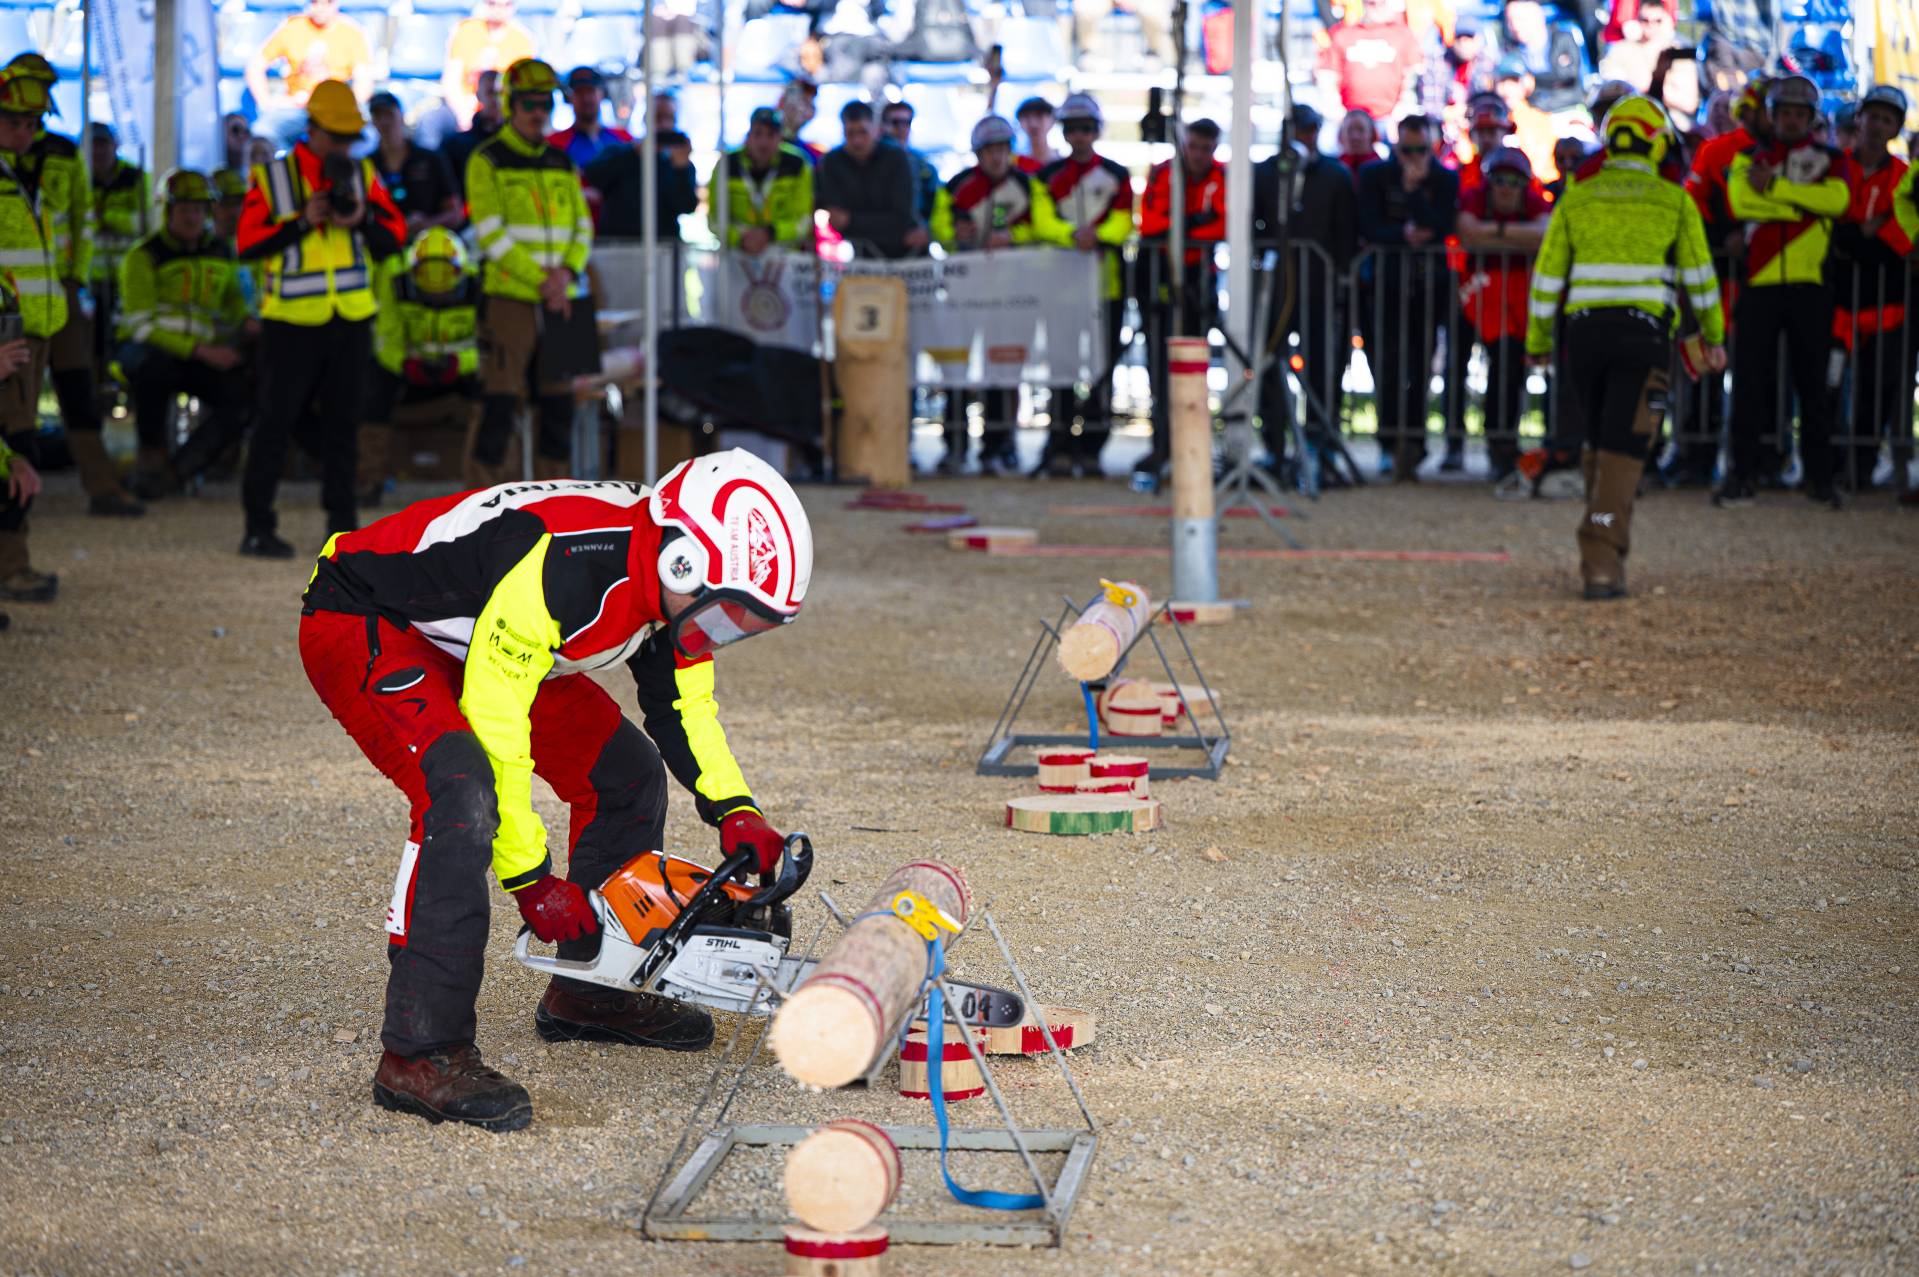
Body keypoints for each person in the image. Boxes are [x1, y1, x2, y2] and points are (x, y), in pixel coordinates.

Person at [298, 451, 814, 1132]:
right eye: (727, 617)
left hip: (475, 637)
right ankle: (420, 1050)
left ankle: (591, 989)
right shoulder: (562, 567)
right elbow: (497, 722)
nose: (720, 633)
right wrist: (531, 876)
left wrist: (734, 807)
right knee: (459, 793)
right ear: (681, 562)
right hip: (369, 618)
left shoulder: (665, 566)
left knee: (625, 773)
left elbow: (685, 702)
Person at [1526, 94, 1723, 598]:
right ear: (1657, 145)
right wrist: (1714, 337)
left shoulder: (1578, 196)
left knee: (1598, 442)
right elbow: (1701, 279)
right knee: (1625, 449)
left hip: (1585, 336)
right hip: (1644, 338)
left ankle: (1605, 548)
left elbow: (1547, 278)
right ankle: (1600, 559)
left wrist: (1539, 341)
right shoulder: (1673, 199)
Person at [236, 80, 406, 557]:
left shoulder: (361, 173)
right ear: (311, 130)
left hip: (350, 319)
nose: (344, 146)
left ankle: (343, 528)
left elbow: (394, 237)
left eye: (350, 137)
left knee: (344, 424)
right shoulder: (274, 178)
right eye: (337, 136)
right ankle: (258, 526)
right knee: (274, 423)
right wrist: (301, 222)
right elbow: (246, 245)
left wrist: (363, 221)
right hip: (290, 322)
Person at [4, 55, 144, 517]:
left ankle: (101, 486)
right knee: (16, 410)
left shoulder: (64, 154)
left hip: (58, 293)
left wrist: (75, 280)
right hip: (11, 306)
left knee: (79, 390)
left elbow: (82, 222)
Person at [1718, 75, 1852, 508]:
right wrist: (1802, 204)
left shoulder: (1832, 158)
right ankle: (1742, 475)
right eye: (1785, 112)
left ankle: (1820, 479)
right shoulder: (1747, 155)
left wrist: (1774, 190)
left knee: (1814, 388)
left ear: (1812, 119)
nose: (1792, 120)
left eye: (1800, 113)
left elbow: (1838, 202)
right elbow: (1740, 202)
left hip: (1810, 286)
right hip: (1759, 284)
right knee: (1749, 386)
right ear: (1772, 115)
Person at [467, 59, 594, 485]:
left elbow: (583, 227)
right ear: (509, 105)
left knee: (560, 409)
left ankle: (557, 502)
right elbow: (490, 234)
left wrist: (566, 276)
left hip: (564, 299)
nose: (538, 112)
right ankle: (482, 507)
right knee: (499, 404)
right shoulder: (486, 160)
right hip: (509, 299)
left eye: (545, 103)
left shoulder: (562, 161)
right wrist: (543, 281)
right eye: (528, 104)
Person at [931, 115, 1065, 475]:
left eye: (1002, 150)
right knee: (956, 371)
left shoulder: (1027, 184)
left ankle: (1000, 445)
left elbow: (1044, 226)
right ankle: (955, 445)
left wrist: (1013, 240)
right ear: (979, 154)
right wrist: (958, 235)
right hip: (965, 294)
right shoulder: (957, 186)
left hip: (1011, 296)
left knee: (1005, 371)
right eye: (990, 151)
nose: (996, 158)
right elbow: (939, 227)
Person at [115, 171, 251, 500]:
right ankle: (151, 461)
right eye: (185, 209)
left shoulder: (222, 252)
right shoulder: (144, 255)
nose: (192, 217)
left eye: (199, 209)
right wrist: (202, 351)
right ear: (168, 211)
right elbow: (141, 326)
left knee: (245, 395)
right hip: (149, 349)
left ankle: (181, 470)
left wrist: (249, 325)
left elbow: (235, 307)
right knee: (154, 371)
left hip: (200, 354)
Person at [1254, 101, 1359, 476]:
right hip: (1275, 292)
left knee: (1323, 368)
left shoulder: (1335, 175)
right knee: (1270, 366)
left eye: (1309, 129)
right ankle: (1274, 446)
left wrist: (1338, 274)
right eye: (1297, 130)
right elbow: (1254, 225)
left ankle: (1321, 444)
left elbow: (1347, 234)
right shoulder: (1265, 173)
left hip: (1321, 289)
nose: (1303, 137)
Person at [1035, 92, 1134, 478]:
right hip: (1060, 286)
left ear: (1096, 132)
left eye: (1086, 129)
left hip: (1105, 286)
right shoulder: (1047, 177)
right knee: (1061, 369)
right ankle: (1058, 443)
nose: (1080, 136)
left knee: (1101, 370)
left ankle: (1093, 445)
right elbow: (1042, 220)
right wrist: (1072, 235)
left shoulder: (1115, 174)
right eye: (1073, 129)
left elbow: (1125, 219)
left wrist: (1099, 236)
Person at [1355, 113, 1457, 478]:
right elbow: (1368, 225)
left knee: (1421, 366)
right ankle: (1388, 441)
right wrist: (1403, 235)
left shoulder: (1445, 178)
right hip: (1385, 285)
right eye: (1405, 149)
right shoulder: (1373, 175)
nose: (1412, 156)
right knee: (1385, 364)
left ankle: (1413, 442)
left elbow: (1442, 225)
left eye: (1419, 149)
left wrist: (1414, 192)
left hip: (1429, 288)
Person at [1828, 85, 1916, 493]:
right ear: (1857, 119)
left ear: (1896, 128)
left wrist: (1857, 238)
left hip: (1885, 306)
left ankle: (1862, 467)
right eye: (1872, 116)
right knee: (1827, 383)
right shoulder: (1833, 166)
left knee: (1876, 387)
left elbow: (1897, 240)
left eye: (1887, 119)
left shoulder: (1902, 176)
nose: (1878, 125)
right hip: (1835, 305)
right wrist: (1859, 233)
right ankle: (1825, 464)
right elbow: (1828, 227)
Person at [1135, 117, 1227, 486]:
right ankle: (1162, 444)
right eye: (1194, 146)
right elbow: (1151, 223)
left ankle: (1192, 444)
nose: (1199, 155)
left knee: (1194, 363)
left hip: (1196, 279)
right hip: (1157, 272)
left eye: (1206, 148)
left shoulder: (1222, 176)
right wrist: (1192, 222)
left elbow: (1223, 223)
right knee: (1159, 364)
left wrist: (1181, 227)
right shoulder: (1162, 173)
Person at [0, 68, 61, 604]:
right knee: (16, 451)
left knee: (20, 448)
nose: (27, 132)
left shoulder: (20, 175)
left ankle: (14, 563)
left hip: (29, 333)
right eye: (16, 122)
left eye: (32, 123)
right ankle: (11, 567)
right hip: (8, 340)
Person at [1452, 146, 1550, 481]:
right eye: (1499, 180)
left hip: (1521, 291)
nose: (1506, 188)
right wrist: (1514, 239)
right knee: (1492, 363)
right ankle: (1488, 444)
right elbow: (1467, 233)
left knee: (1512, 368)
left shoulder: (1534, 201)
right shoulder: (1473, 196)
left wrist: (1494, 234)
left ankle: (1505, 444)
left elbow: (1544, 234)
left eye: (1514, 181)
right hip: (1482, 289)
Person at [361, 228, 481, 502]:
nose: (437, 298)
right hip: (406, 370)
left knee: (493, 390)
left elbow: (487, 346)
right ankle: (368, 480)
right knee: (371, 388)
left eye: (445, 292)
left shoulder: (480, 283)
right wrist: (405, 365)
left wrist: (459, 363)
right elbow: (384, 339)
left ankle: (483, 485)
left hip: (461, 371)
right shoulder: (393, 277)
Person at [246, 0, 375, 139]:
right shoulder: (292, 28)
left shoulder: (351, 33)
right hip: (297, 109)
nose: (320, 7)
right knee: (262, 133)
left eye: (327, 2)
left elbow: (364, 80)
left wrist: (347, 106)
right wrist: (266, 102)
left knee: (368, 137)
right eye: (315, 2)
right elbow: (255, 67)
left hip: (335, 109)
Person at [816, 100, 926, 260]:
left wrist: (852, 220)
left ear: (876, 130)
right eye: (850, 133)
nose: (857, 141)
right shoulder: (832, 161)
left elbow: (902, 218)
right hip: (860, 255)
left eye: (863, 132)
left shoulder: (897, 157)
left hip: (907, 255)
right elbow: (837, 221)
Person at [709, 106, 814, 254]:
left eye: (770, 135)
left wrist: (770, 233)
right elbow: (715, 218)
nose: (763, 142)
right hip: (736, 254)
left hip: (784, 256)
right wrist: (740, 237)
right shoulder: (726, 164)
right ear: (748, 136)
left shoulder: (798, 164)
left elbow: (803, 221)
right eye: (758, 134)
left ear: (780, 138)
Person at [88, 123, 149, 376]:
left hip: (129, 278)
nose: (99, 151)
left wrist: (109, 217)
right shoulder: (81, 178)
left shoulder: (136, 178)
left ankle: (123, 386)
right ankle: (99, 386)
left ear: (115, 146)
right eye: (93, 145)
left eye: (103, 144)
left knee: (126, 337)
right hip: (92, 279)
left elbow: (146, 222)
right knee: (93, 341)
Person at [368, 92, 462, 239]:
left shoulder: (431, 159)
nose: (384, 122)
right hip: (383, 251)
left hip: (427, 250)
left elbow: (455, 213)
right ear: (372, 121)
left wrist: (426, 224)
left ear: (401, 115)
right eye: (378, 116)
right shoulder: (368, 164)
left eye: (389, 114)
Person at [1315, 0, 1423, 124]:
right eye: (1371, 2)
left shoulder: (1404, 35)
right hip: (1350, 121)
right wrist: (1338, 115)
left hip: (1391, 122)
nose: (1376, 3)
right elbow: (1327, 78)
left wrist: (1401, 116)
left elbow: (1413, 78)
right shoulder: (1342, 34)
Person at [584, 128, 700, 240]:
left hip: (664, 245)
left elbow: (687, 206)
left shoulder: (678, 164)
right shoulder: (620, 150)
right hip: (617, 243)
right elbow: (593, 176)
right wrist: (634, 152)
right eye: (658, 117)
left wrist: (680, 169)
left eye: (669, 118)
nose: (664, 124)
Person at [443, 0, 536, 129]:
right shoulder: (465, 31)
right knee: (434, 122)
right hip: (465, 105)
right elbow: (451, 82)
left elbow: (521, 90)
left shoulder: (522, 39)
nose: (499, 9)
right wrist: (463, 112)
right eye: (493, 4)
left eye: (506, 4)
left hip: (505, 109)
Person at [1495, 0, 1585, 114]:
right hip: (1532, 114)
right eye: (1510, 20)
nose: (1515, 26)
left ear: (1538, 17)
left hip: (1569, 109)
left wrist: (1534, 81)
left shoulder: (1562, 38)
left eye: (1520, 19)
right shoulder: (1508, 51)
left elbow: (1569, 73)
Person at [547, 68, 633, 172]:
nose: (586, 99)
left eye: (590, 91)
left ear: (602, 94)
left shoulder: (624, 139)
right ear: (569, 98)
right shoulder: (554, 143)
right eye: (579, 93)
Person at [442, 70, 505, 200]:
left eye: (501, 93)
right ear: (478, 95)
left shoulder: (522, 144)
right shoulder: (455, 145)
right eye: (490, 92)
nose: (496, 99)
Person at [881, 99, 940, 226]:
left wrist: (924, 228)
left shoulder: (922, 162)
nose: (901, 128)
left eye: (907, 122)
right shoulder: (874, 159)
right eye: (895, 122)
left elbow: (933, 197)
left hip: (916, 234)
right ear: (884, 125)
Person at [779, 79, 822, 165]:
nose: (802, 110)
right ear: (782, 103)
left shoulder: (814, 155)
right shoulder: (762, 146)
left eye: (809, 104)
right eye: (801, 101)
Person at [1336, 109, 1383, 184]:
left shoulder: (1382, 170)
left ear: (1372, 134)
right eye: (1349, 130)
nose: (1355, 137)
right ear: (1341, 135)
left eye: (1361, 130)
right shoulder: (1333, 169)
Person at [1014, 96, 1057, 174]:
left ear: (1052, 120)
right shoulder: (1015, 164)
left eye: (1039, 116)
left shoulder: (1060, 163)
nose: (1033, 124)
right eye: (1027, 117)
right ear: (1019, 122)